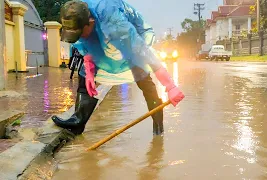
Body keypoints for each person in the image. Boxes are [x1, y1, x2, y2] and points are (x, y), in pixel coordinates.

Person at [51, 0, 185, 135]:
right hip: (99, 30)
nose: (80, 37)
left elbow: (146, 54)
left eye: (80, 33)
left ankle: (158, 127)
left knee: (143, 78)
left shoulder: (116, 24)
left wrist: (170, 86)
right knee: (84, 74)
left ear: (90, 22)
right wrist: (90, 71)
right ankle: (77, 122)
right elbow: (87, 47)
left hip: (130, 36)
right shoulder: (77, 13)